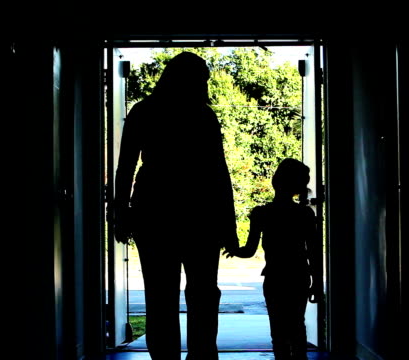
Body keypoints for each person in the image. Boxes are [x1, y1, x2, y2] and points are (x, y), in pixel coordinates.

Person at [113, 51, 239, 360]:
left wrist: (119, 213)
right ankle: (202, 355)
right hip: (201, 216)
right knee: (204, 294)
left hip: (153, 212)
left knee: (159, 296)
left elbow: (125, 167)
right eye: (204, 79)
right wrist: (229, 225)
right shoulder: (203, 116)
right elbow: (218, 173)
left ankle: (166, 357)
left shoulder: (143, 112)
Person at [223, 158, 321, 360]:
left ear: (276, 181)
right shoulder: (304, 214)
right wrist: (317, 283)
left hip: (275, 276)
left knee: (278, 330)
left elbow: (249, 251)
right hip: (298, 276)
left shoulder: (262, 213)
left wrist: (234, 249)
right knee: (297, 326)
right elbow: (313, 251)